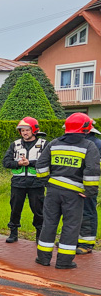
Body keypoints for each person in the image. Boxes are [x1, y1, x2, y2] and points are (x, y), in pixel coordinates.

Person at [35, 113, 100, 269]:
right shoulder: (89, 146)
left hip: (52, 191)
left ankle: (43, 258)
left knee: (49, 223)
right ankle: (64, 262)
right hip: (74, 194)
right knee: (70, 226)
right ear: (85, 128)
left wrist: (47, 182)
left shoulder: (54, 143)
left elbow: (40, 166)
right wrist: (90, 192)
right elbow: (92, 170)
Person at [2, 117, 47, 243]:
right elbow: (6, 162)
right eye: (22, 130)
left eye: (27, 130)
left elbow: (48, 162)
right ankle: (13, 233)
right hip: (18, 183)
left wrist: (30, 163)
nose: (24, 133)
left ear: (34, 130)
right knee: (15, 209)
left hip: (36, 183)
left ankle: (39, 234)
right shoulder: (15, 145)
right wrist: (19, 164)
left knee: (38, 210)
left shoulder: (44, 144)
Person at [77, 120, 101, 254]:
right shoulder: (80, 142)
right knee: (74, 213)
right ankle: (75, 239)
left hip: (88, 185)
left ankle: (87, 243)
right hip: (76, 183)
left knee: (87, 212)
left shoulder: (96, 144)